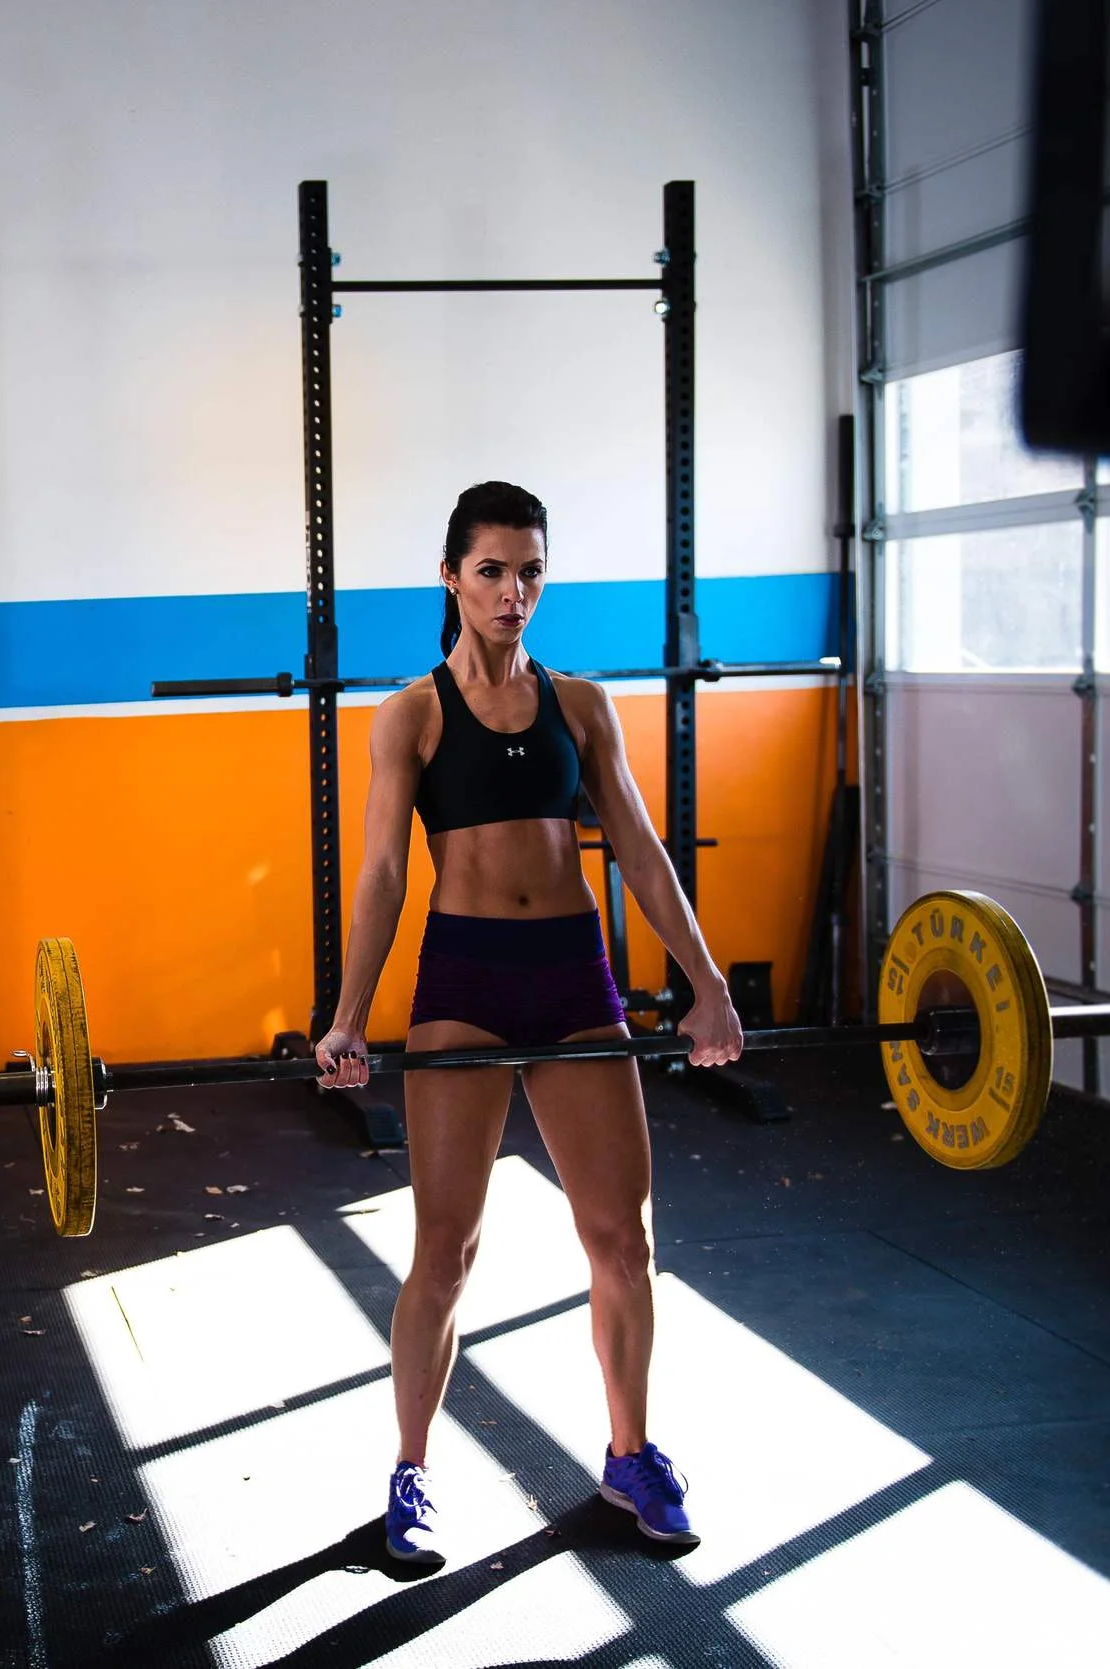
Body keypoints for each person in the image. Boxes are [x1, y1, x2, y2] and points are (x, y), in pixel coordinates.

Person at [311, 480, 743, 1565]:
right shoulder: (411, 715)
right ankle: (411, 1472)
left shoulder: (581, 705)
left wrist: (707, 982)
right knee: (445, 1250)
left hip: (571, 978)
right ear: (451, 577)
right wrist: (347, 1017)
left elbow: (639, 850)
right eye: (492, 570)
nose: (513, 592)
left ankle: (631, 1455)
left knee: (622, 1238)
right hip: (463, 979)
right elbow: (381, 874)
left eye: (530, 572)